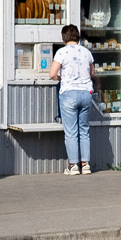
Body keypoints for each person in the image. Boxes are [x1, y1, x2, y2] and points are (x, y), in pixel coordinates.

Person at [48, 24, 94, 176]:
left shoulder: (62, 52)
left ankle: (73, 165)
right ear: (78, 37)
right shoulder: (87, 52)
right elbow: (92, 73)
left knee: (71, 132)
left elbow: (52, 73)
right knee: (84, 130)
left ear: (64, 38)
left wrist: (61, 78)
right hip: (86, 93)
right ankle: (86, 164)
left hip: (69, 93)